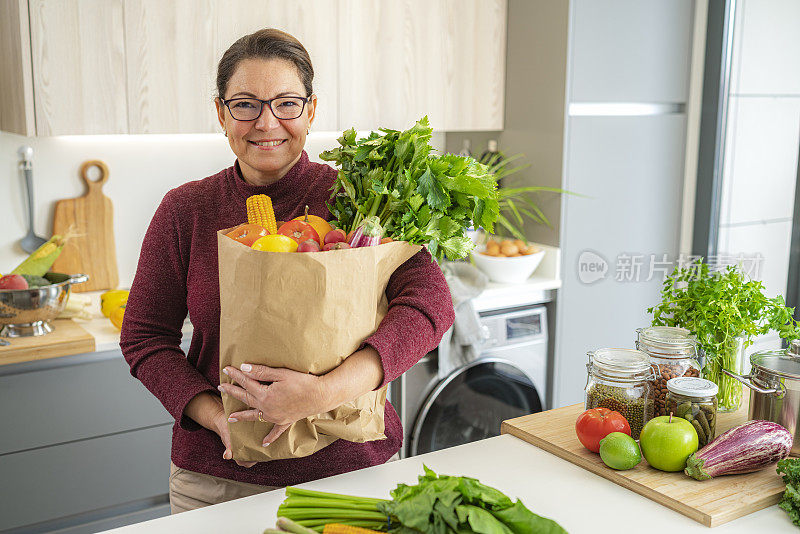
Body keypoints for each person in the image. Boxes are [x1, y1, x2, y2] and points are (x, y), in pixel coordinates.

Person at [120, 28, 454, 514]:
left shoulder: (359, 201)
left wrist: (321, 393)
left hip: (351, 471)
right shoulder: (185, 209)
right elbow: (145, 337)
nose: (266, 122)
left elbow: (431, 306)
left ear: (311, 110)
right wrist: (219, 418)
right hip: (218, 478)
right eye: (246, 104)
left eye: (286, 103)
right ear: (221, 113)